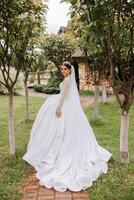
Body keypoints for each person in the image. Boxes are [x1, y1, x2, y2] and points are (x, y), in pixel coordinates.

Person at [23, 61, 112, 192]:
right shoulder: (68, 79)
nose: (63, 71)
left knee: (62, 129)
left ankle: (62, 149)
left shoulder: (67, 80)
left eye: (65, 69)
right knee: (66, 130)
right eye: (62, 69)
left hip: (64, 105)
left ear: (70, 70)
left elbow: (64, 95)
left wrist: (58, 107)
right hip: (70, 105)